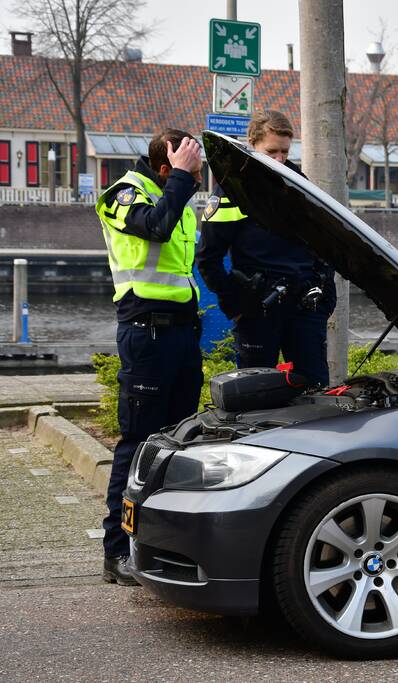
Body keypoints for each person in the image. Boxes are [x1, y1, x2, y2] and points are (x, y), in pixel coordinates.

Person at [94, 129, 205, 586]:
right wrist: (182, 178)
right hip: (145, 334)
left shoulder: (178, 196)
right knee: (138, 443)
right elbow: (154, 226)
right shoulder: (120, 194)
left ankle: (161, 545)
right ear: (165, 168)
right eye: (188, 171)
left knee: (179, 442)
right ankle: (116, 551)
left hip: (181, 334)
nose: (196, 180)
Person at [197, 110, 335, 386]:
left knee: (315, 389)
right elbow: (207, 259)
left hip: (304, 307)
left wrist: (324, 293)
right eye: (271, 152)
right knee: (254, 395)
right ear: (252, 143)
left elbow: (325, 242)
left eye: (284, 152)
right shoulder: (232, 191)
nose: (279, 160)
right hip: (257, 309)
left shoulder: (300, 185)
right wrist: (234, 305)